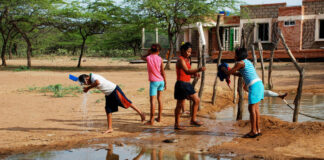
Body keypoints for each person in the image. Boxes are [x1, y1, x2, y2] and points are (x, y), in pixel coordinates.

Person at [78, 73, 145, 134]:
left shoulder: (93, 77)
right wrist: (88, 88)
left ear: (87, 78)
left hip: (114, 90)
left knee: (126, 103)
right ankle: (110, 128)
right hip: (108, 94)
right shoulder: (92, 78)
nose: (87, 84)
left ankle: (141, 113)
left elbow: (97, 82)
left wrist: (88, 88)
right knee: (108, 109)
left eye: (85, 83)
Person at [222, 47, 264, 138]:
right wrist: (230, 72)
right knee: (256, 109)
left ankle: (253, 131)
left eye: (235, 54)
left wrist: (223, 69)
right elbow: (241, 74)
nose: (234, 56)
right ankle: (257, 130)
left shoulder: (240, 63)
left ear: (238, 55)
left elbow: (229, 72)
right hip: (259, 84)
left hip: (254, 86)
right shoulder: (247, 62)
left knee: (251, 109)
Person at [174, 42, 206, 130]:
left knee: (196, 100)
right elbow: (187, 71)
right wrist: (198, 69)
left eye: (190, 52)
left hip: (186, 84)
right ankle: (177, 124)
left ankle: (193, 119)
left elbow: (187, 73)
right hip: (181, 84)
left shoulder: (187, 60)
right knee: (180, 105)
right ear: (183, 51)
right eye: (188, 51)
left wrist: (194, 75)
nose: (189, 53)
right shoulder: (180, 60)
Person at [141, 44, 167, 125]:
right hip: (161, 81)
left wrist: (148, 53)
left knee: (152, 101)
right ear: (159, 51)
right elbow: (163, 71)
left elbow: (141, 57)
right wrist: (165, 82)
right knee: (160, 99)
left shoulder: (148, 58)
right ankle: (159, 118)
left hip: (154, 82)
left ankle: (151, 120)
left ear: (151, 50)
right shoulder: (160, 59)